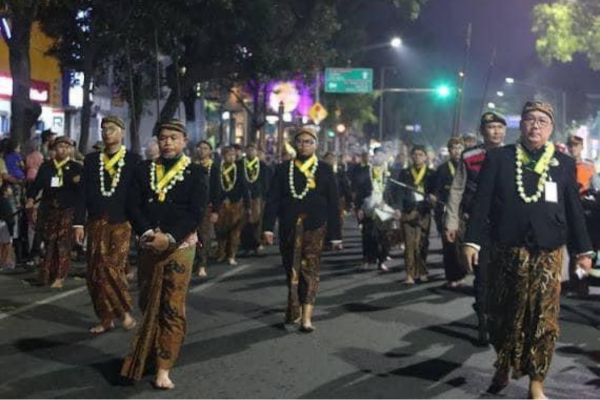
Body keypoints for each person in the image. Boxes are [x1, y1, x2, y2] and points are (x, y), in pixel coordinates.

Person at [463, 102, 593, 400]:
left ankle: (536, 382)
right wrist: (471, 242)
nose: (535, 125)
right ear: (520, 125)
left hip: (548, 255)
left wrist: (583, 251)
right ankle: (503, 363)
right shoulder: (498, 158)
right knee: (500, 316)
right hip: (506, 252)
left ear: (550, 128)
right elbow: (481, 204)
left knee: (543, 321)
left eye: (542, 121)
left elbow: (574, 212)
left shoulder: (563, 163)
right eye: (530, 120)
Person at [121, 119, 207, 389]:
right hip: (148, 243)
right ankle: (149, 352)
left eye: (173, 138)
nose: (167, 142)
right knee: (148, 303)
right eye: (163, 138)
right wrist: (147, 232)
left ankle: (163, 368)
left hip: (179, 246)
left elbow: (196, 212)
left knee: (171, 306)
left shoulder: (196, 173)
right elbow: (131, 204)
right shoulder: (143, 169)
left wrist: (168, 238)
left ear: (184, 142)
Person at [262, 126, 342, 332]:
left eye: (309, 141)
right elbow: (272, 200)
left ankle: (307, 317)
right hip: (289, 228)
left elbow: (334, 205)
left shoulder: (325, 170)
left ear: (316, 145)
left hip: (315, 228)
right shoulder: (282, 169)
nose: (304, 145)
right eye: (300, 141)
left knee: (310, 270)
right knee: (292, 269)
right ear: (294, 144)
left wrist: (336, 236)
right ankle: (294, 308)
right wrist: (268, 228)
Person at [444, 110, 507, 345]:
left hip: (506, 226)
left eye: (500, 127)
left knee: (504, 276)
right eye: (491, 127)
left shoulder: (513, 155)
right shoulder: (470, 156)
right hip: (478, 225)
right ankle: (483, 319)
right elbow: (457, 190)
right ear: (482, 131)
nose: (496, 131)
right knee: (482, 275)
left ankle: (499, 316)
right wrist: (451, 221)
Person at [73, 116, 138, 334]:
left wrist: (143, 226)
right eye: (103, 129)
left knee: (111, 268)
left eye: (111, 128)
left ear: (122, 133)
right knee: (94, 272)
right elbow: (82, 194)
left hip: (121, 223)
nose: (106, 132)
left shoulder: (133, 160)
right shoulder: (92, 161)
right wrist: (78, 224)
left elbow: (138, 196)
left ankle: (123, 312)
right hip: (95, 223)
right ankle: (105, 317)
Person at [26, 137, 83, 288]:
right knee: (49, 240)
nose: (63, 149)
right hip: (49, 208)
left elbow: (86, 190)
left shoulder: (77, 167)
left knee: (63, 242)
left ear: (71, 150)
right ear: (54, 149)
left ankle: (60, 276)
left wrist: (79, 182)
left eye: (67, 146)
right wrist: (31, 198)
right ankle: (46, 274)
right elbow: (37, 185)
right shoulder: (46, 166)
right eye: (60, 146)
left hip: (68, 209)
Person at [392, 145, 435, 284]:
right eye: (415, 154)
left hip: (424, 212)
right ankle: (409, 274)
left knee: (422, 242)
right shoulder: (404, 173)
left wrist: (433, 197)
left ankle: (422, 271)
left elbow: (435, 191)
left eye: (421, 154)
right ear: (411, 156)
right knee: (409, 244)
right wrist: (397, 208)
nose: (418, 157)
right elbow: (398, 192)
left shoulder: (431, 173)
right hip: (408, 211)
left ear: (425, 157)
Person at [565, 134, 597, 298]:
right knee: (573, 252)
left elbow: (594, 187)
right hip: (569, 212)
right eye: (570, 145)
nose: (573, 148)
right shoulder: (562, 165)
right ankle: (576, 283)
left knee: (584, 252)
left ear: (582, 147)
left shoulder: (589, 167)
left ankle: (581, 284)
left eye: (576, 145)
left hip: (587, 214)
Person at [432, 137, 466, 288]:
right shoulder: (442, 169)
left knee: (461, 244)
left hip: (463, 211)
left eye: (460, 148)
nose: (457, 151)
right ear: (449, 150)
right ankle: (451, 276)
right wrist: (434, 198)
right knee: (449, 245)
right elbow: (435, 190)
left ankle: (461, 273)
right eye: (454, 148)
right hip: (446, 210)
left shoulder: (466, 166)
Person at [354, 148, 393, 271]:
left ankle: (381, 260)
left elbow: (395, 193)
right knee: (368, 235)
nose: (379, 159)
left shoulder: (389, 173)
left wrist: (389, 203)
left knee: (385, 236)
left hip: (385, 208)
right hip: (368, 207)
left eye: (382, 156)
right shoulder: (365, 172)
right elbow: (359, 191)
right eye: (377, 156)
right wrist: (359, 208)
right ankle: (367, 259)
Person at [214, 146, 250, 266]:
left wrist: (248, 205)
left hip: (236, 204)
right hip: (221, 204)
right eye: (229, 154)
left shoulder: (239, 169)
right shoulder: (217, 168)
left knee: (235, 232)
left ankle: (232, 255)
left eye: (233, 155)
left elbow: (245, 187)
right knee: (220, 231)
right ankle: (221, 252)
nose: (231, 157)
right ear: (223, 156)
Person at [193, 140, 221, 278]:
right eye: (200, 148)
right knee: (191, 236)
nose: (201, 150)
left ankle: (202, 264)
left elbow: (217, 190)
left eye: (205, 148)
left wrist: (216, 210)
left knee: (204, 236)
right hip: (191, 207)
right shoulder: (191, 166)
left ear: (210, 151)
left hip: (207, 207)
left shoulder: (214, 168)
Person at [240, 144, 269, 255]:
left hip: (257, 197)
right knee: (244, 222)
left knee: (257, 222)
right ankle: (246, 245)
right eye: (248, 149)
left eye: (253, 150)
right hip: (244, 197)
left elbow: (265, 183)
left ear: (256, 152)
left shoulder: (262, 166)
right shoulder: (240, 164)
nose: (251, 152)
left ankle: (257, 244)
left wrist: (264, 198)